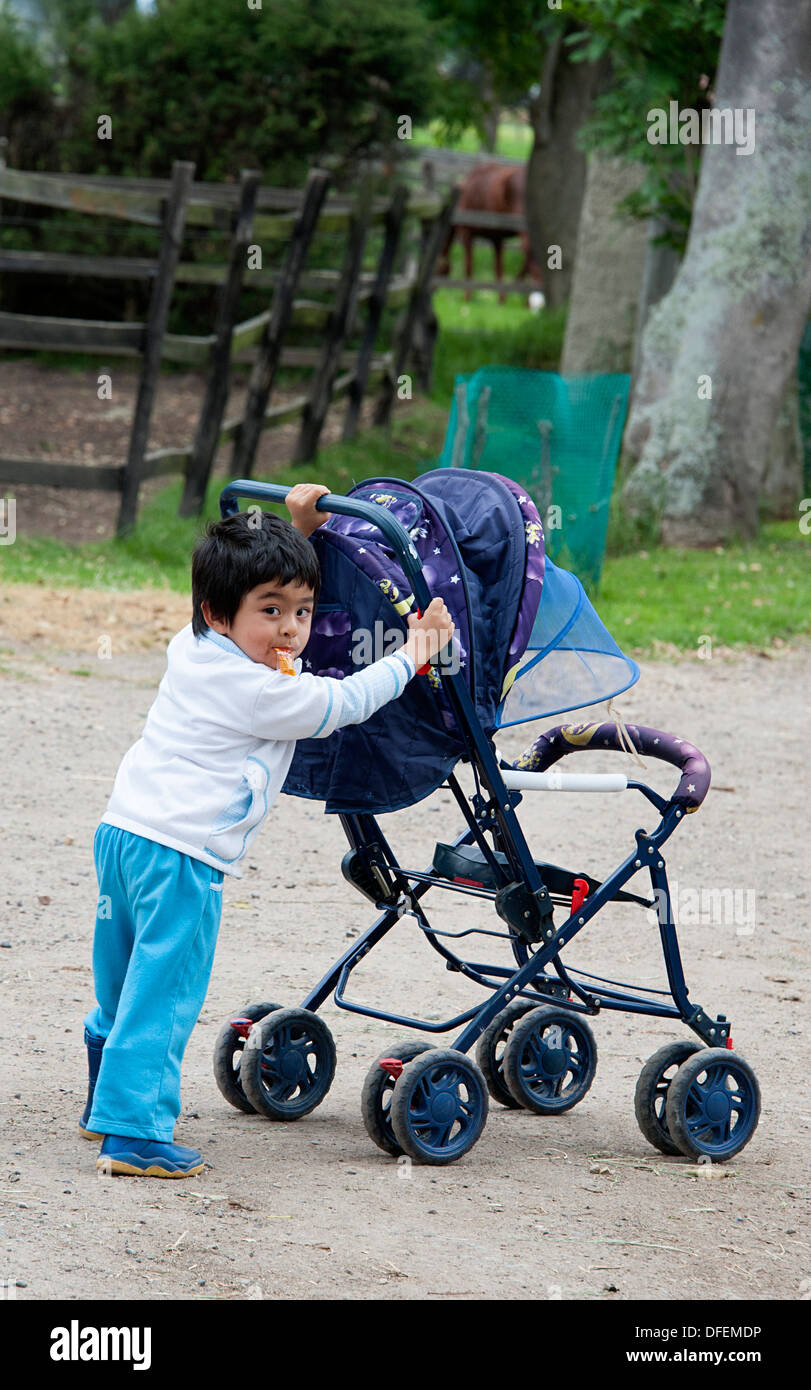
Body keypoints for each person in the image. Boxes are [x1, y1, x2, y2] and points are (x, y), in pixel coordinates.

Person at [81, 483, 454, 1178]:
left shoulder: (194, 648)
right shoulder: (260, 690)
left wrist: (302, 533)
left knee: (122, 979)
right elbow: (341, 702)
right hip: (183, 857)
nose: (290, 629)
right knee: (164, 993)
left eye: (302, 612)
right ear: (218, 615)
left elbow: (265, 602)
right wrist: (413, 655)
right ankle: (132, 1132)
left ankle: (107, 1096)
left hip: (124, 832)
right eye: (272, 612)